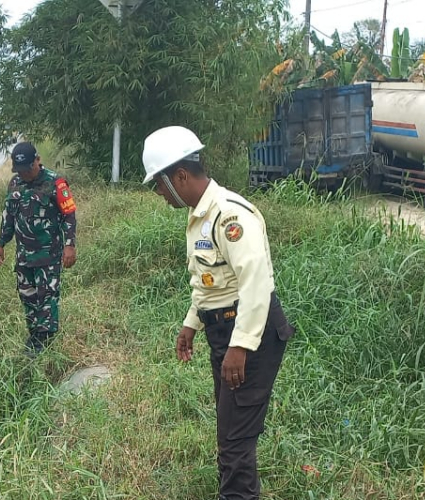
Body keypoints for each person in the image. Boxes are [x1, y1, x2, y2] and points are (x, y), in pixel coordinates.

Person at [141, 126, 295, 500]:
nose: (159, 194)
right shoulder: (199, 217)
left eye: (158, 185)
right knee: (230, 432)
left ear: (179, 176)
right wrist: (190, 324)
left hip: (248, 333)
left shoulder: (229, 216)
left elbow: (256, 283)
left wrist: (240, 347)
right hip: (222, 332)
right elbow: (211, 281)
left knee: (234, 441)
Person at [0, 142, 77, 357]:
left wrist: (70, 245)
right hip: (24, 256)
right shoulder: (15, 183)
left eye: (28, 169)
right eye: (20, 171)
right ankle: (34, 336)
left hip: (48, 254)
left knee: (47, 296)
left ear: (37, 161)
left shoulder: (55, 183)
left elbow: (69, 214)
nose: (25, 174)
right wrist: (0, 243)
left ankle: (46, 341)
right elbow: (9, 216)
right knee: (27, 296)